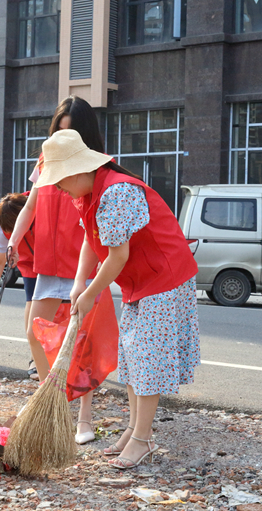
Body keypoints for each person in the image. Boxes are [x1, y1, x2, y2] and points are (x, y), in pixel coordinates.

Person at [36, 129, 201, 469]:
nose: (58, 189)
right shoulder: (87, 195)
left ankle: (142, 439)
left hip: (163, 278)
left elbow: (117, 255)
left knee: (147, 358)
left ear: (79, 170)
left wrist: (92, 292)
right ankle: (133, 430)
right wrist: (79, 282)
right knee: (131, 356)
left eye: (60, 180)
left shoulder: (117, 191)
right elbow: (90, 241)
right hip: (138, 282)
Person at [6, 96, 101, 444]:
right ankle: (52, 402)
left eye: (71, 131)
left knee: (82, 344)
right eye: (58, 131)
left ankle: (85, 418)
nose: (63, 139)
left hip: (84, 262)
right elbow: (31, 201)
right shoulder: (46, 159)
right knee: (36, 333)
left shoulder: (96, 166)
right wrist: (14, 240)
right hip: (48, 260)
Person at [0, 193, 37, 376]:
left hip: (54, 260)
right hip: (29, 265)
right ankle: (36, 356)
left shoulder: (41, 209)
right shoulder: (4, 229)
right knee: (32, 303)